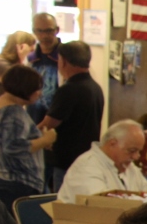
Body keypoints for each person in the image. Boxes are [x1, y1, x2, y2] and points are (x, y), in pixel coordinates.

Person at [39, 40, 104, 192]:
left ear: (63, 62)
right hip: (86, 156)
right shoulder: (95, 87)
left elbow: (49, 124)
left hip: (66, 160)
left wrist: (27, 135)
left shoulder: (69, 90)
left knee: (61, 204)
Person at [0, 65, 57, 209]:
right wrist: (45, 140)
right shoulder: (12, 112)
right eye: (37, 90)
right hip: (17, 182)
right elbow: (13, 147)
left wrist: (37, 140)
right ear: (25, 89)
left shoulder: (3, 106)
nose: (40, 94)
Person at [57, 119, 147, 203]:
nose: (136, 156)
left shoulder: (129, 167)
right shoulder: (87, 167)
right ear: (112, 144)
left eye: (139, 151)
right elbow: (101, 206)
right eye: (132, 151)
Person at [27, 13, 60, 124]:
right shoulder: (30, 59)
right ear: (34, 32)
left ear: (57, 30)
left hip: (59, 124)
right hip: (33, 120)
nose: (44, 36)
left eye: (49, 31)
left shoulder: (67, 56)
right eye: (39, 31)